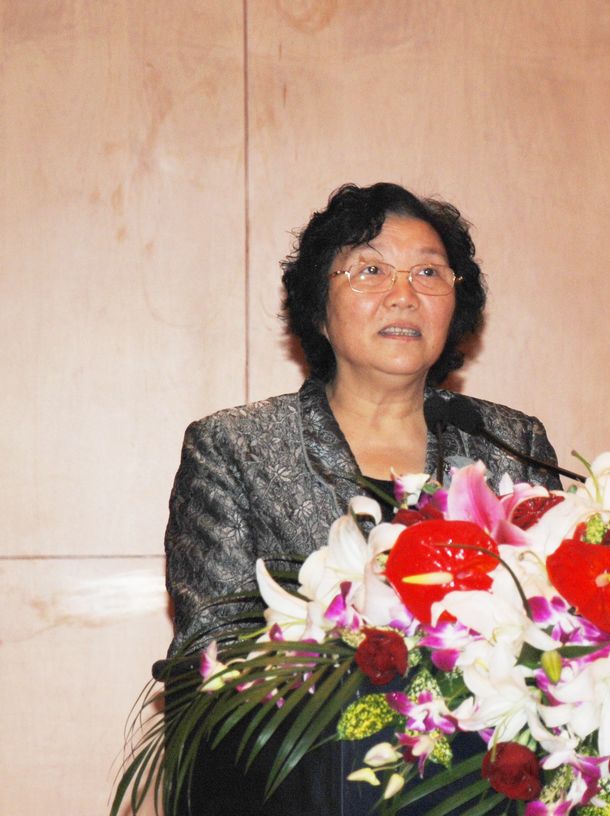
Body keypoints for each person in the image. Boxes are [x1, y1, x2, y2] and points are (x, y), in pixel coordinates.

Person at [162, 182, 561, 814]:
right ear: (319, 311)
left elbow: (558, 630)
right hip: (307, 788)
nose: (404, 294)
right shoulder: (238, 447)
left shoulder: (511, 441)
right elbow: (212, 655)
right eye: (370, 270)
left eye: (429, 272)